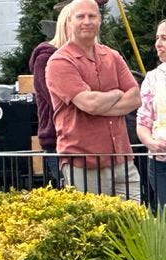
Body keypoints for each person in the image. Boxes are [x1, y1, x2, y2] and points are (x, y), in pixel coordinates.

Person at [45, 0, 141, 200]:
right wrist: (116, 93)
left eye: (92, 16)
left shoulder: (112, 56)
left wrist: (99, 104)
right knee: (94, 228)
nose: (87, 21)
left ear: (100, 20)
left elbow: (135, 98)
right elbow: (89, 103)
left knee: (136, 224)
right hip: (84, 162)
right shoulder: (59, 62)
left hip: (123, 159)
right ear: (69, 22)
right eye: (80, 16)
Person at [30, 2, 73, 187]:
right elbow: (56, 99)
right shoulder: (45, 59)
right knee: (73, 192)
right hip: (57, 138)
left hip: (85, 138)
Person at [137, 19, 166, 211]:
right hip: (160, 163)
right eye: (157, 38)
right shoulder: (152, 78)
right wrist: (151, 143)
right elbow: (142, 122)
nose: (158, 44)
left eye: (164, 38)